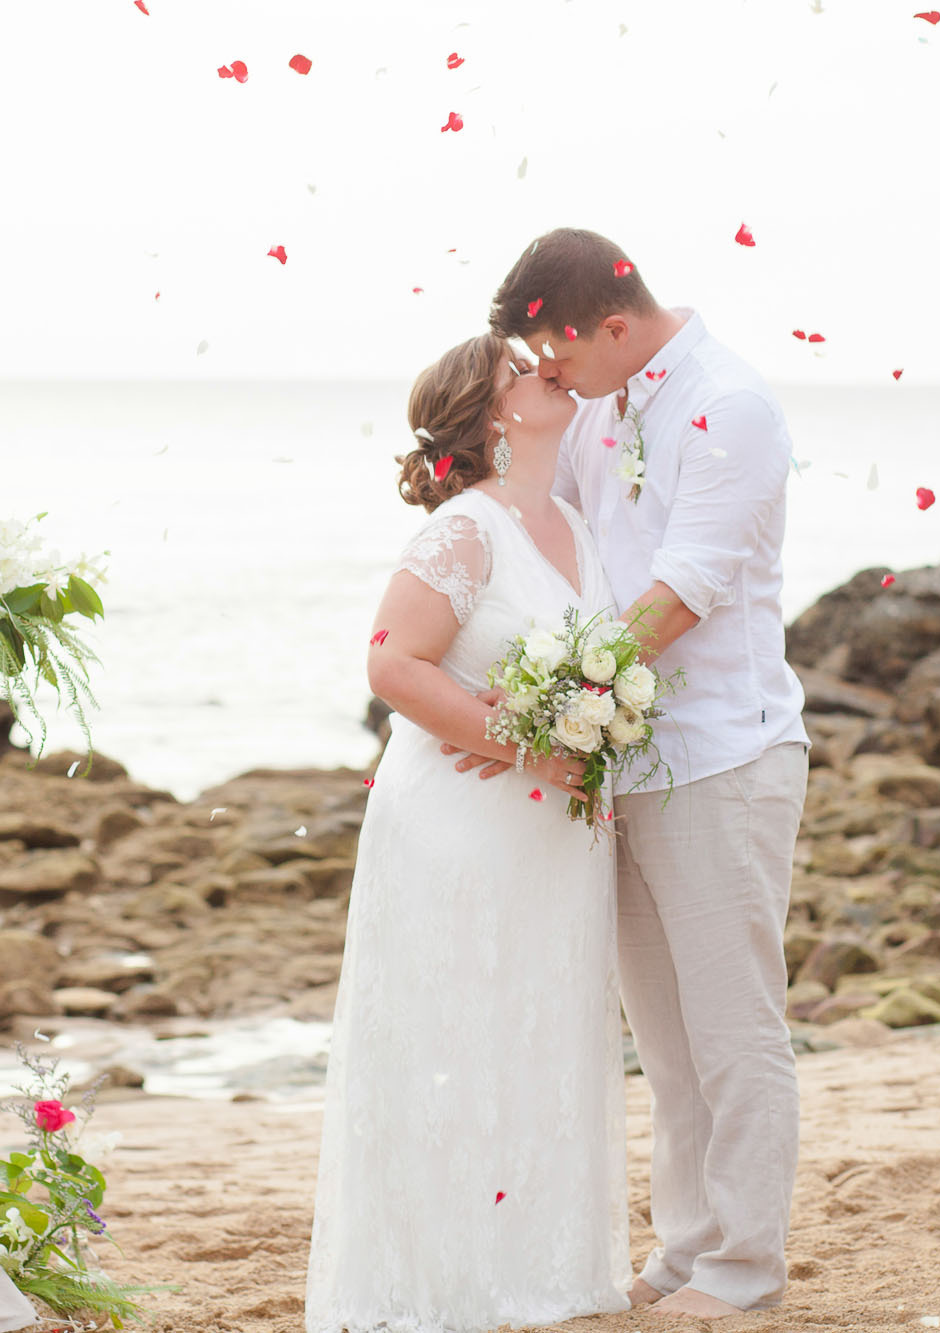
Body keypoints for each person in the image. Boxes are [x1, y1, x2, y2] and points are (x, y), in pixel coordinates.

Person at [451, 228, 811, 1317]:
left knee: (732, 1025)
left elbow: (680, 593)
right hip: (625, 758)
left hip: (721, 752)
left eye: (556, 363)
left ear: (611, 326)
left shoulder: (731, 406)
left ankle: (745, 1264)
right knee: (660, 1032)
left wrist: (542, 704)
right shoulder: (602, 403)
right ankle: (687, 1243)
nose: (551, 384)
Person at [303, 333, 631, 1333]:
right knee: (455, 1035)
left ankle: (540, 1271)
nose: (551, 372)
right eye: (525, 369)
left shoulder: (569, 518)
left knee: (542, 1029)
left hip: (553, 833)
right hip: (458, 825)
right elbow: (393, 665)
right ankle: (440, 1286)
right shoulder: (463, 531)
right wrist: (529, 746)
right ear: (492, 414)